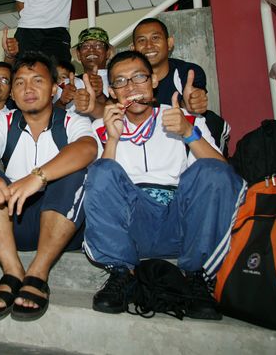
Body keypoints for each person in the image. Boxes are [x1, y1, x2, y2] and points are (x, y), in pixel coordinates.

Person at [82, 50, 246, 319]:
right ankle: (121, 272)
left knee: (211, 171)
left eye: (139, 77)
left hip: (183, 224)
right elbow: (101, 187)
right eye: (121, 81)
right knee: (101, 170)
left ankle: (197, 276)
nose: (131, 87)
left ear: (154, 81)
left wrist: (189, 133)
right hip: (131, 226)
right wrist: (111, 139)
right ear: (112, 92)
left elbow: (222, 174)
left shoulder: (185, 118)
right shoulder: (101, 126)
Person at [0, 52, 97, 321]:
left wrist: (38, 177)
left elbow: (88, 148)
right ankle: (12, 271)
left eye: (37, 81)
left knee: (75, 170)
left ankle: (38, 273)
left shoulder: (72, 120)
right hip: (12, 222)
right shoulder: (3, 120)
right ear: (12, 92)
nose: (28, 89)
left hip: (63, 226)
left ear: (54, 89)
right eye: (19, 83)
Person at [132, 17, 230, 154]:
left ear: (169, 43)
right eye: (141, 40)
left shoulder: (187, 72)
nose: (149, 45)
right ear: (133, 49)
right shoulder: (127, 80)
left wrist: (191, 102)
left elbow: (191, 99)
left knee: (209, 121)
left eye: (155, 38)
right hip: (151, 142)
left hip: (186, 137)